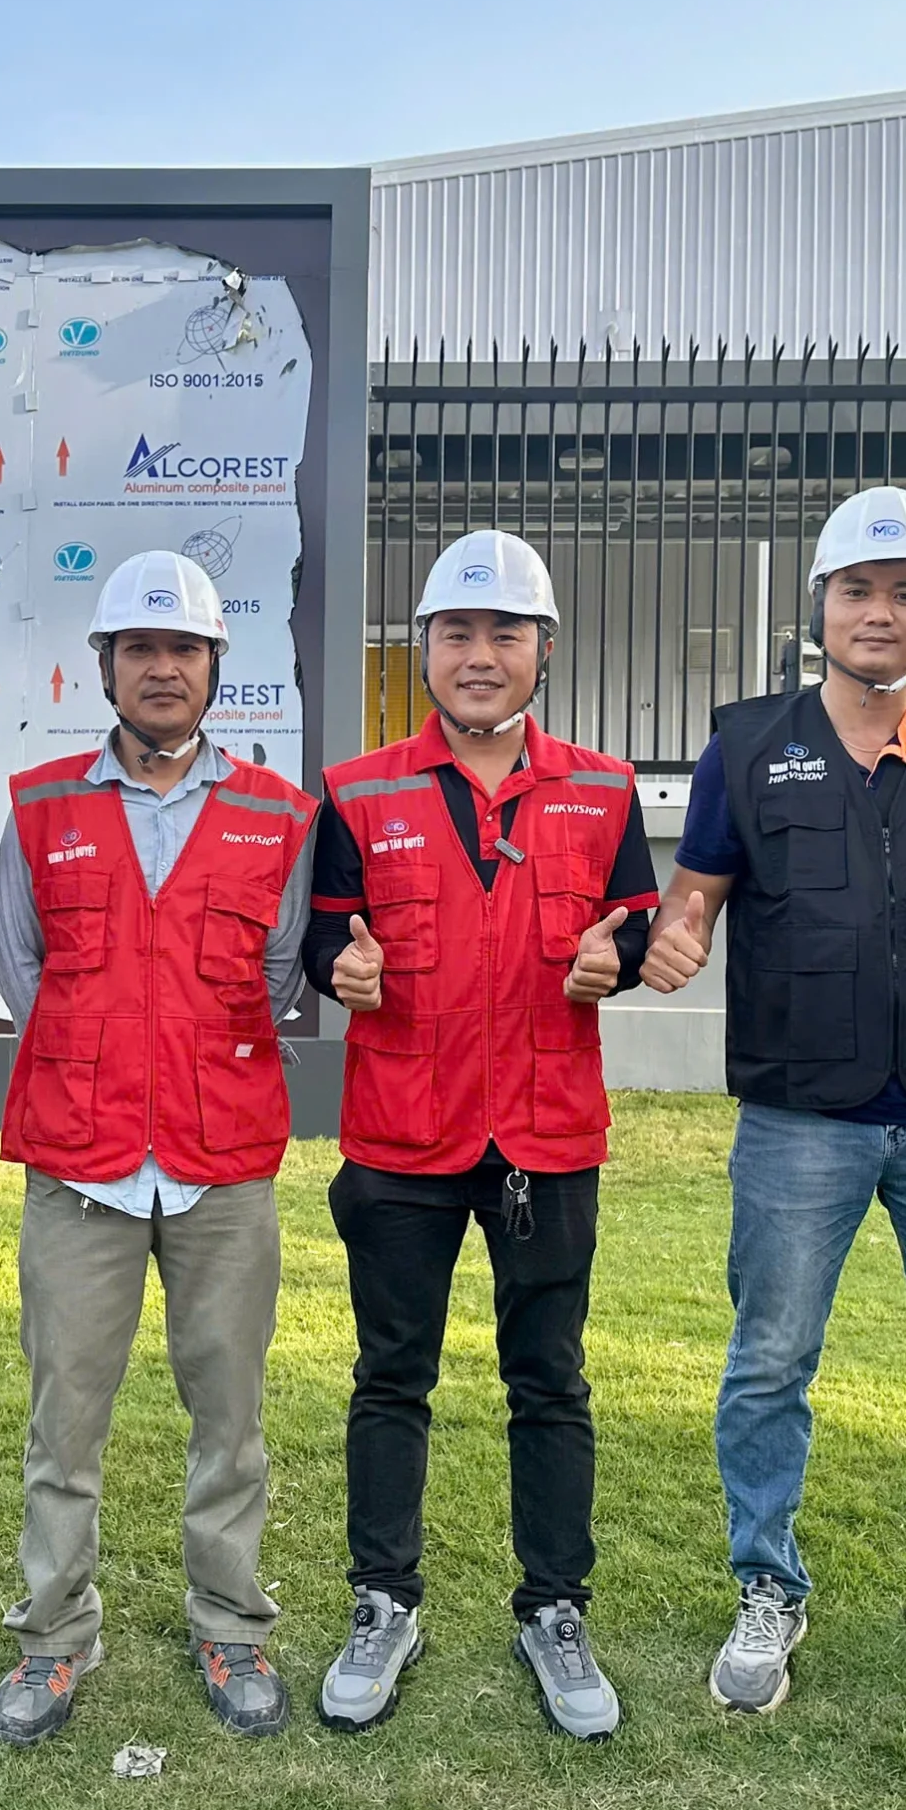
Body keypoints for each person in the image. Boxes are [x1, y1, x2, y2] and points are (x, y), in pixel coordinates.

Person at [643, 485, 906, 1722]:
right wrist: (674, 935)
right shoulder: (745, 745)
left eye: (905, 592)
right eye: (857, 590)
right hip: (799, 1118)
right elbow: (694, 895)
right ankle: (767, 1586)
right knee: (769, 1361)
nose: (879, 612)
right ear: (820, 604)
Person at [304, 529, 658, 1744]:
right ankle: (382, 1602)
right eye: (456, 631)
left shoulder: (602, 791)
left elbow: (634, 922)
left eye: (505, 632)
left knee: (548, 1380)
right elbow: (326, 933)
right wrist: (339, 968)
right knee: (389, 1376)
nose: (478, 654)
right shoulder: (358, 792)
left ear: (543, 651)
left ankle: (554, 1608)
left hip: (546, 1137)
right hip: (401, 1131)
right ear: (423, 648)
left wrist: (617, 957)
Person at [0, 552, 317, 1746]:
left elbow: (278, 977)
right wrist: (106, 1065)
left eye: (183, 650)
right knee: (63, 1426)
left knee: (228, 1418)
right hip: (82, 1166)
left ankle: (231, 1626)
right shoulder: (41, 806)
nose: (161, 669)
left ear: (216, 666)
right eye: (139, 649)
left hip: (221, 1165)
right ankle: (52, 1639)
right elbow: (24, 971)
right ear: (105, 667)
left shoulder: (278, 814)